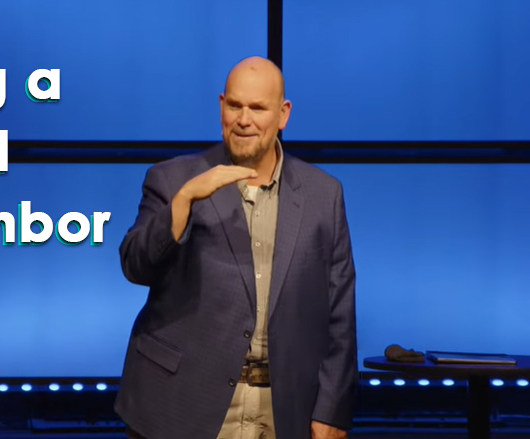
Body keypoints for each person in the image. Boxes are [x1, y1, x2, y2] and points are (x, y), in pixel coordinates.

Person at [115, 56, 358, 439]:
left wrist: (332, 410)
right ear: (221, 106)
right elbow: (135, 265)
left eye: (258, 108)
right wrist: (183, 202)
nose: (244, 119)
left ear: (283, 114)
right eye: (235, 106)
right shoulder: (173, 179)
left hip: (283, 408)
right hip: (180, 403)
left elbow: (340, 313)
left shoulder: (323, 194)